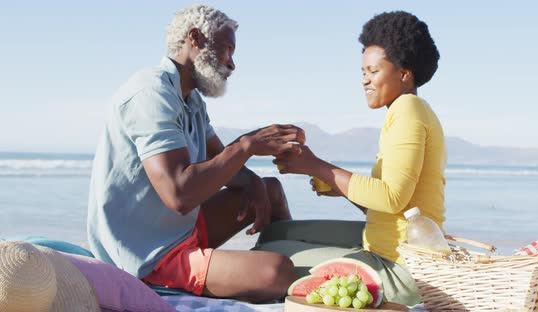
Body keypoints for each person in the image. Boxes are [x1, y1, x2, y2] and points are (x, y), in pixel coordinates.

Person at [87, 4, 305, 303]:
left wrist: (253, 181)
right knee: (277, 273)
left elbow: (219, 161)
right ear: (195, 39)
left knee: (270, 190)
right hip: (148, 255)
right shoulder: (151, 93)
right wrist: (246, 145)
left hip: (179, 230)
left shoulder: (191, 100)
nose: (232, 63)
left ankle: (262, 269)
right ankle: (265, 275)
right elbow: (179, 195)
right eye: (228, 49)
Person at [259, 11, 445, 306]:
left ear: (404, 74)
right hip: (382, 243)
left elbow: (392, 198)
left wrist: (316, 165)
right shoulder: (406, 110)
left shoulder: (408, 109)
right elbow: (398, 205)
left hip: (400, 268)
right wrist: (341, 187)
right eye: (363, 72)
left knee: (266, 257)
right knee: (276, 232)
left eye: (373, 71)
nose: (365, 81)